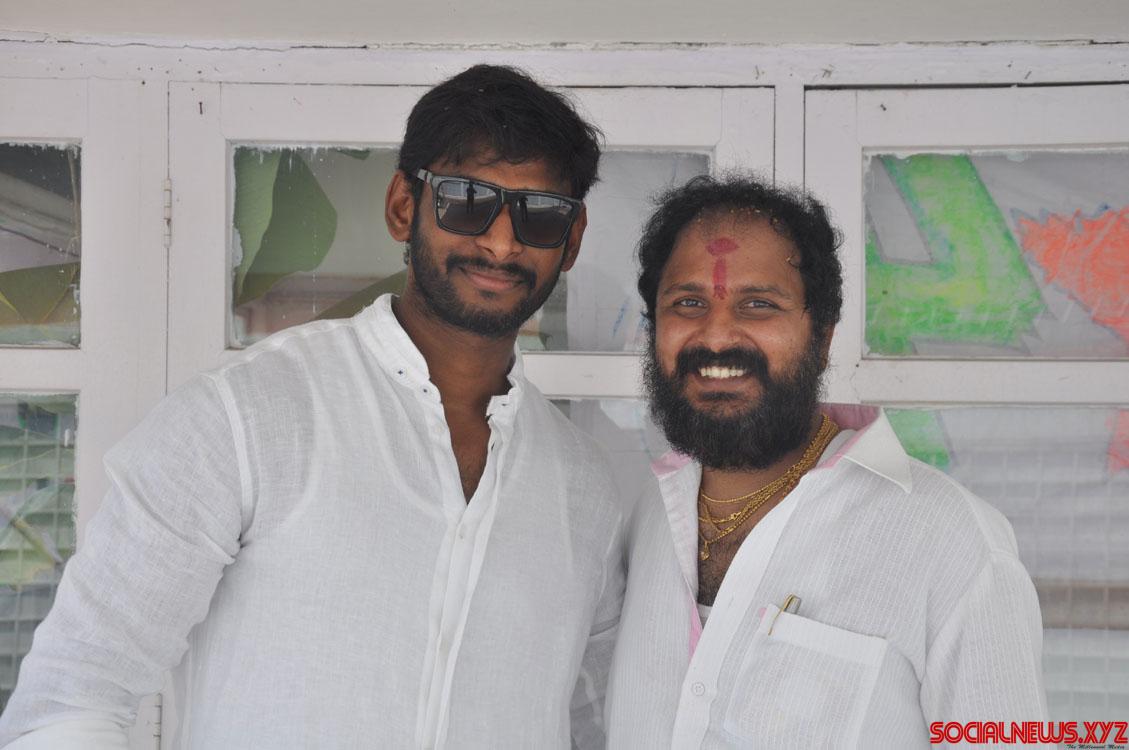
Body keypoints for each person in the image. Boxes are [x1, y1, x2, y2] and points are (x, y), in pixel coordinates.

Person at [1, 65, 627, 749]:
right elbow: (69, 702)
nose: (502, 243)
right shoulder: (245, 419)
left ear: (572, 240)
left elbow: (600, 726)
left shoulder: (585, 491)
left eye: (541, 214)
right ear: (403, 206)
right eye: (467, 200)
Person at [605, 175, 1048, 748]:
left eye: (759, 305)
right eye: (687, 303)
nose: (716, 337)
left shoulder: (953, 543)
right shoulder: (648, 516)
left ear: (822, 336)